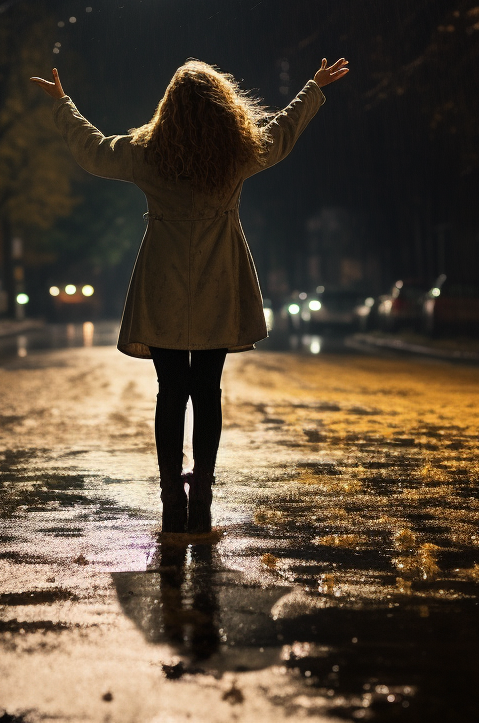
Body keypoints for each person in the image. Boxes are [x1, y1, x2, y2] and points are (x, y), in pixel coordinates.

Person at [31, 57, 349, 534]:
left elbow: (94, 152)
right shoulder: (239, 151)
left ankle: (169, 497)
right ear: (223, 106)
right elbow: (281, 133)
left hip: (163, 279)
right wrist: (313, 88)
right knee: (207, 391)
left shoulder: (146, 151)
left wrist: (62, 104)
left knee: (170, 393)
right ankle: (201, 490)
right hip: (220, 278)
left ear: (169, 107)